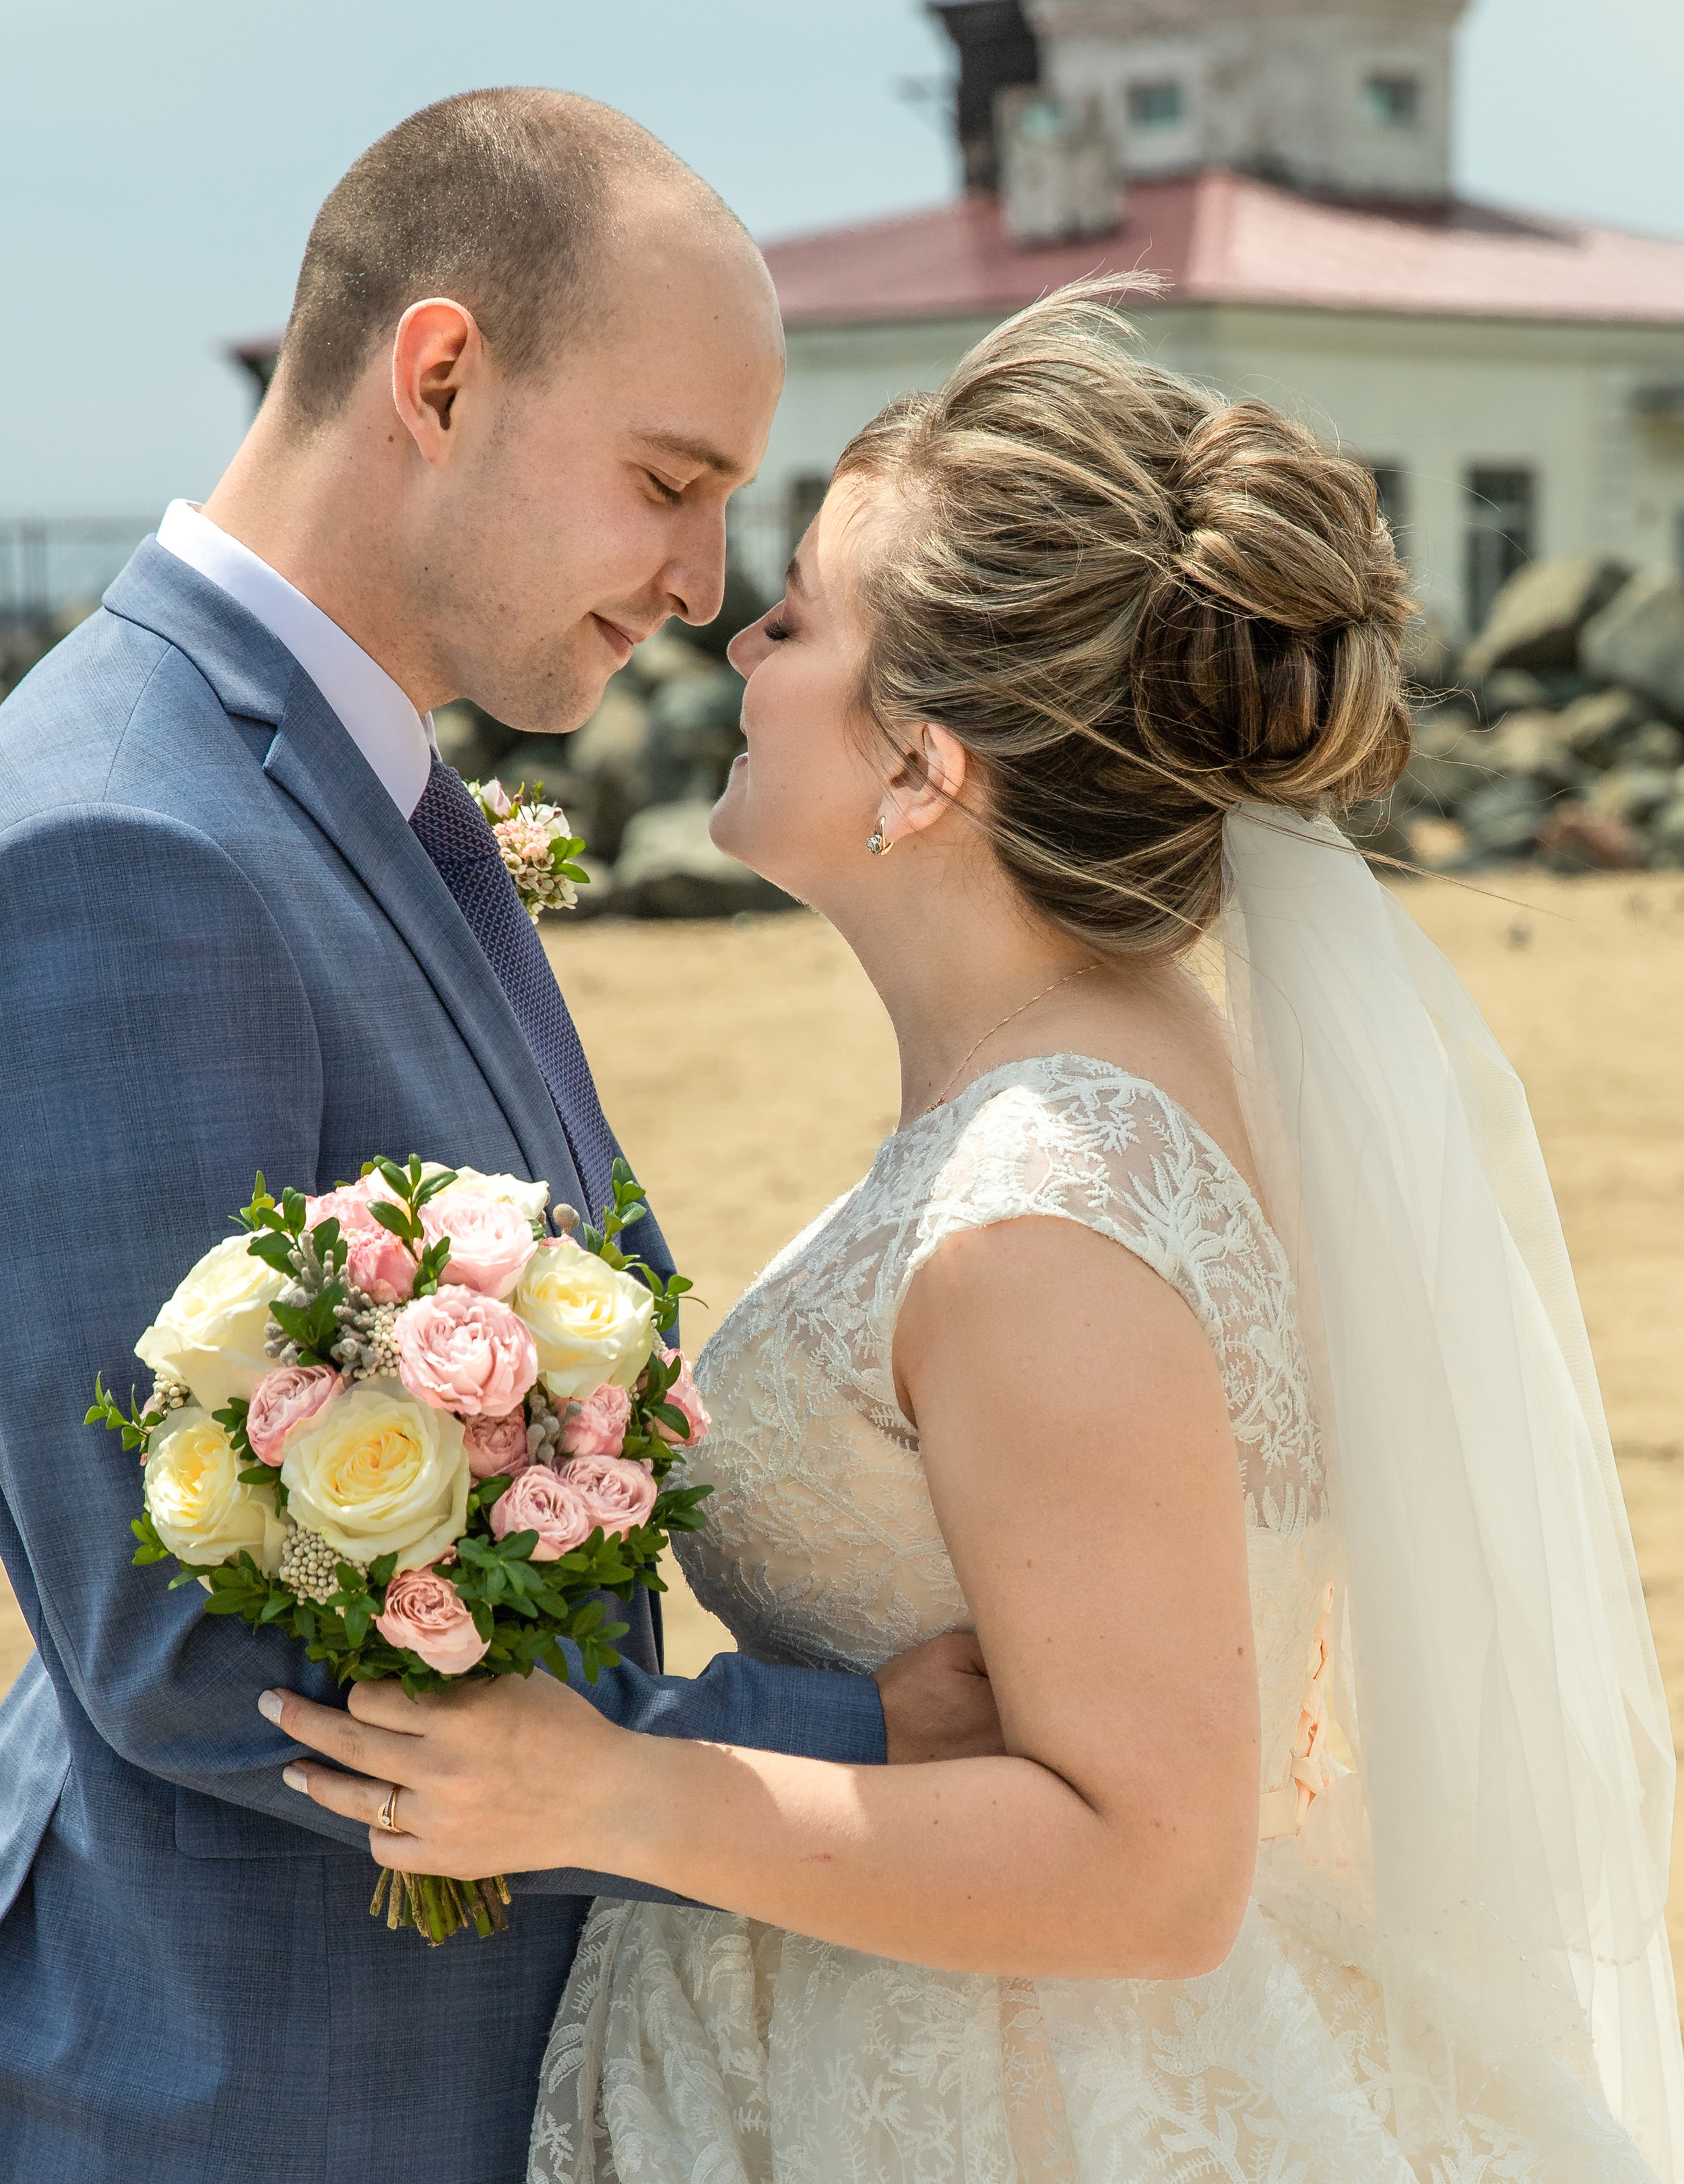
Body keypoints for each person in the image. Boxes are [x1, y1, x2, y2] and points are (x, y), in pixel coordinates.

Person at [277, 287, 1684, 2183]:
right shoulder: (1099, 1071)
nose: (733, 638)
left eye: (797, 618)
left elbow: (1155, 1859)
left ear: (925, 769)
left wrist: (614, 1787)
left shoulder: (1048, 1204)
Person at [0, 90, 1000, 2184]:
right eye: (668, 482)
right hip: (251, 2089)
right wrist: (857, 1749)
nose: (700, 582)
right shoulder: (114, 835)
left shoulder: (351, 787)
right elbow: (190, 1652)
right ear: (440, 376)